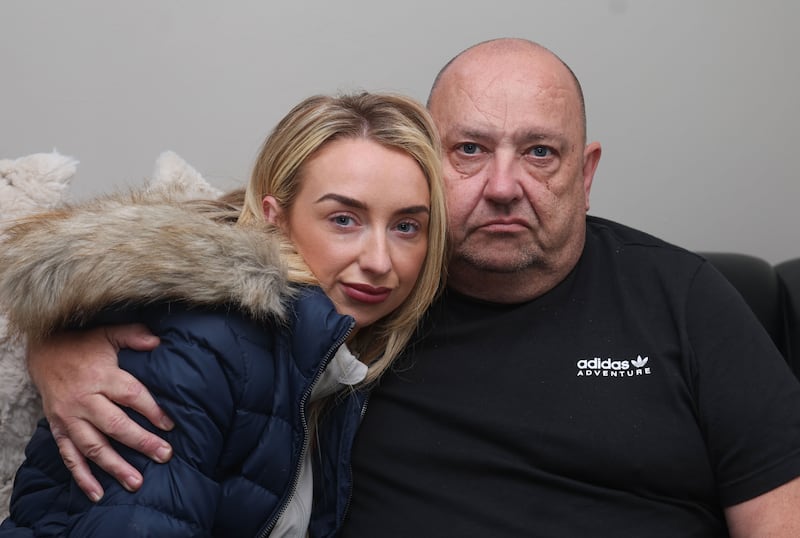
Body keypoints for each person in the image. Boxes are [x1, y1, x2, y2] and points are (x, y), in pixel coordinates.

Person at [12, 38, 800, 536]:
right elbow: (170, 266)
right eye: (469, 149)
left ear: (585, 173)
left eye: (539, 153)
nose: (502, 185)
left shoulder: (685, 297)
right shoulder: (353, 309)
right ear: (427, 154)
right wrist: (62, 333)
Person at [0, 92, 447, 536]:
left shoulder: (341, 353)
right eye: (344, 220)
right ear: (275, 219)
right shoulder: (205, 341)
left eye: (406, 227)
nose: (379, 261)